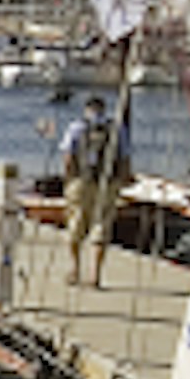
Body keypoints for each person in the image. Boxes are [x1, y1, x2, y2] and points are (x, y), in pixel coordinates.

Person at [56, 92, 127, 286]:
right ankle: (95, 274)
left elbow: (68, 157)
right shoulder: (116, 129)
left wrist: (68, 180)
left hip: (82, 181)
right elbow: (124, 158)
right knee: (101, 228)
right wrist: (121, 182)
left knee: (76, 225)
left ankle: (75, 269)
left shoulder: (76, 127)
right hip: (106, 183)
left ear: (87, 109)